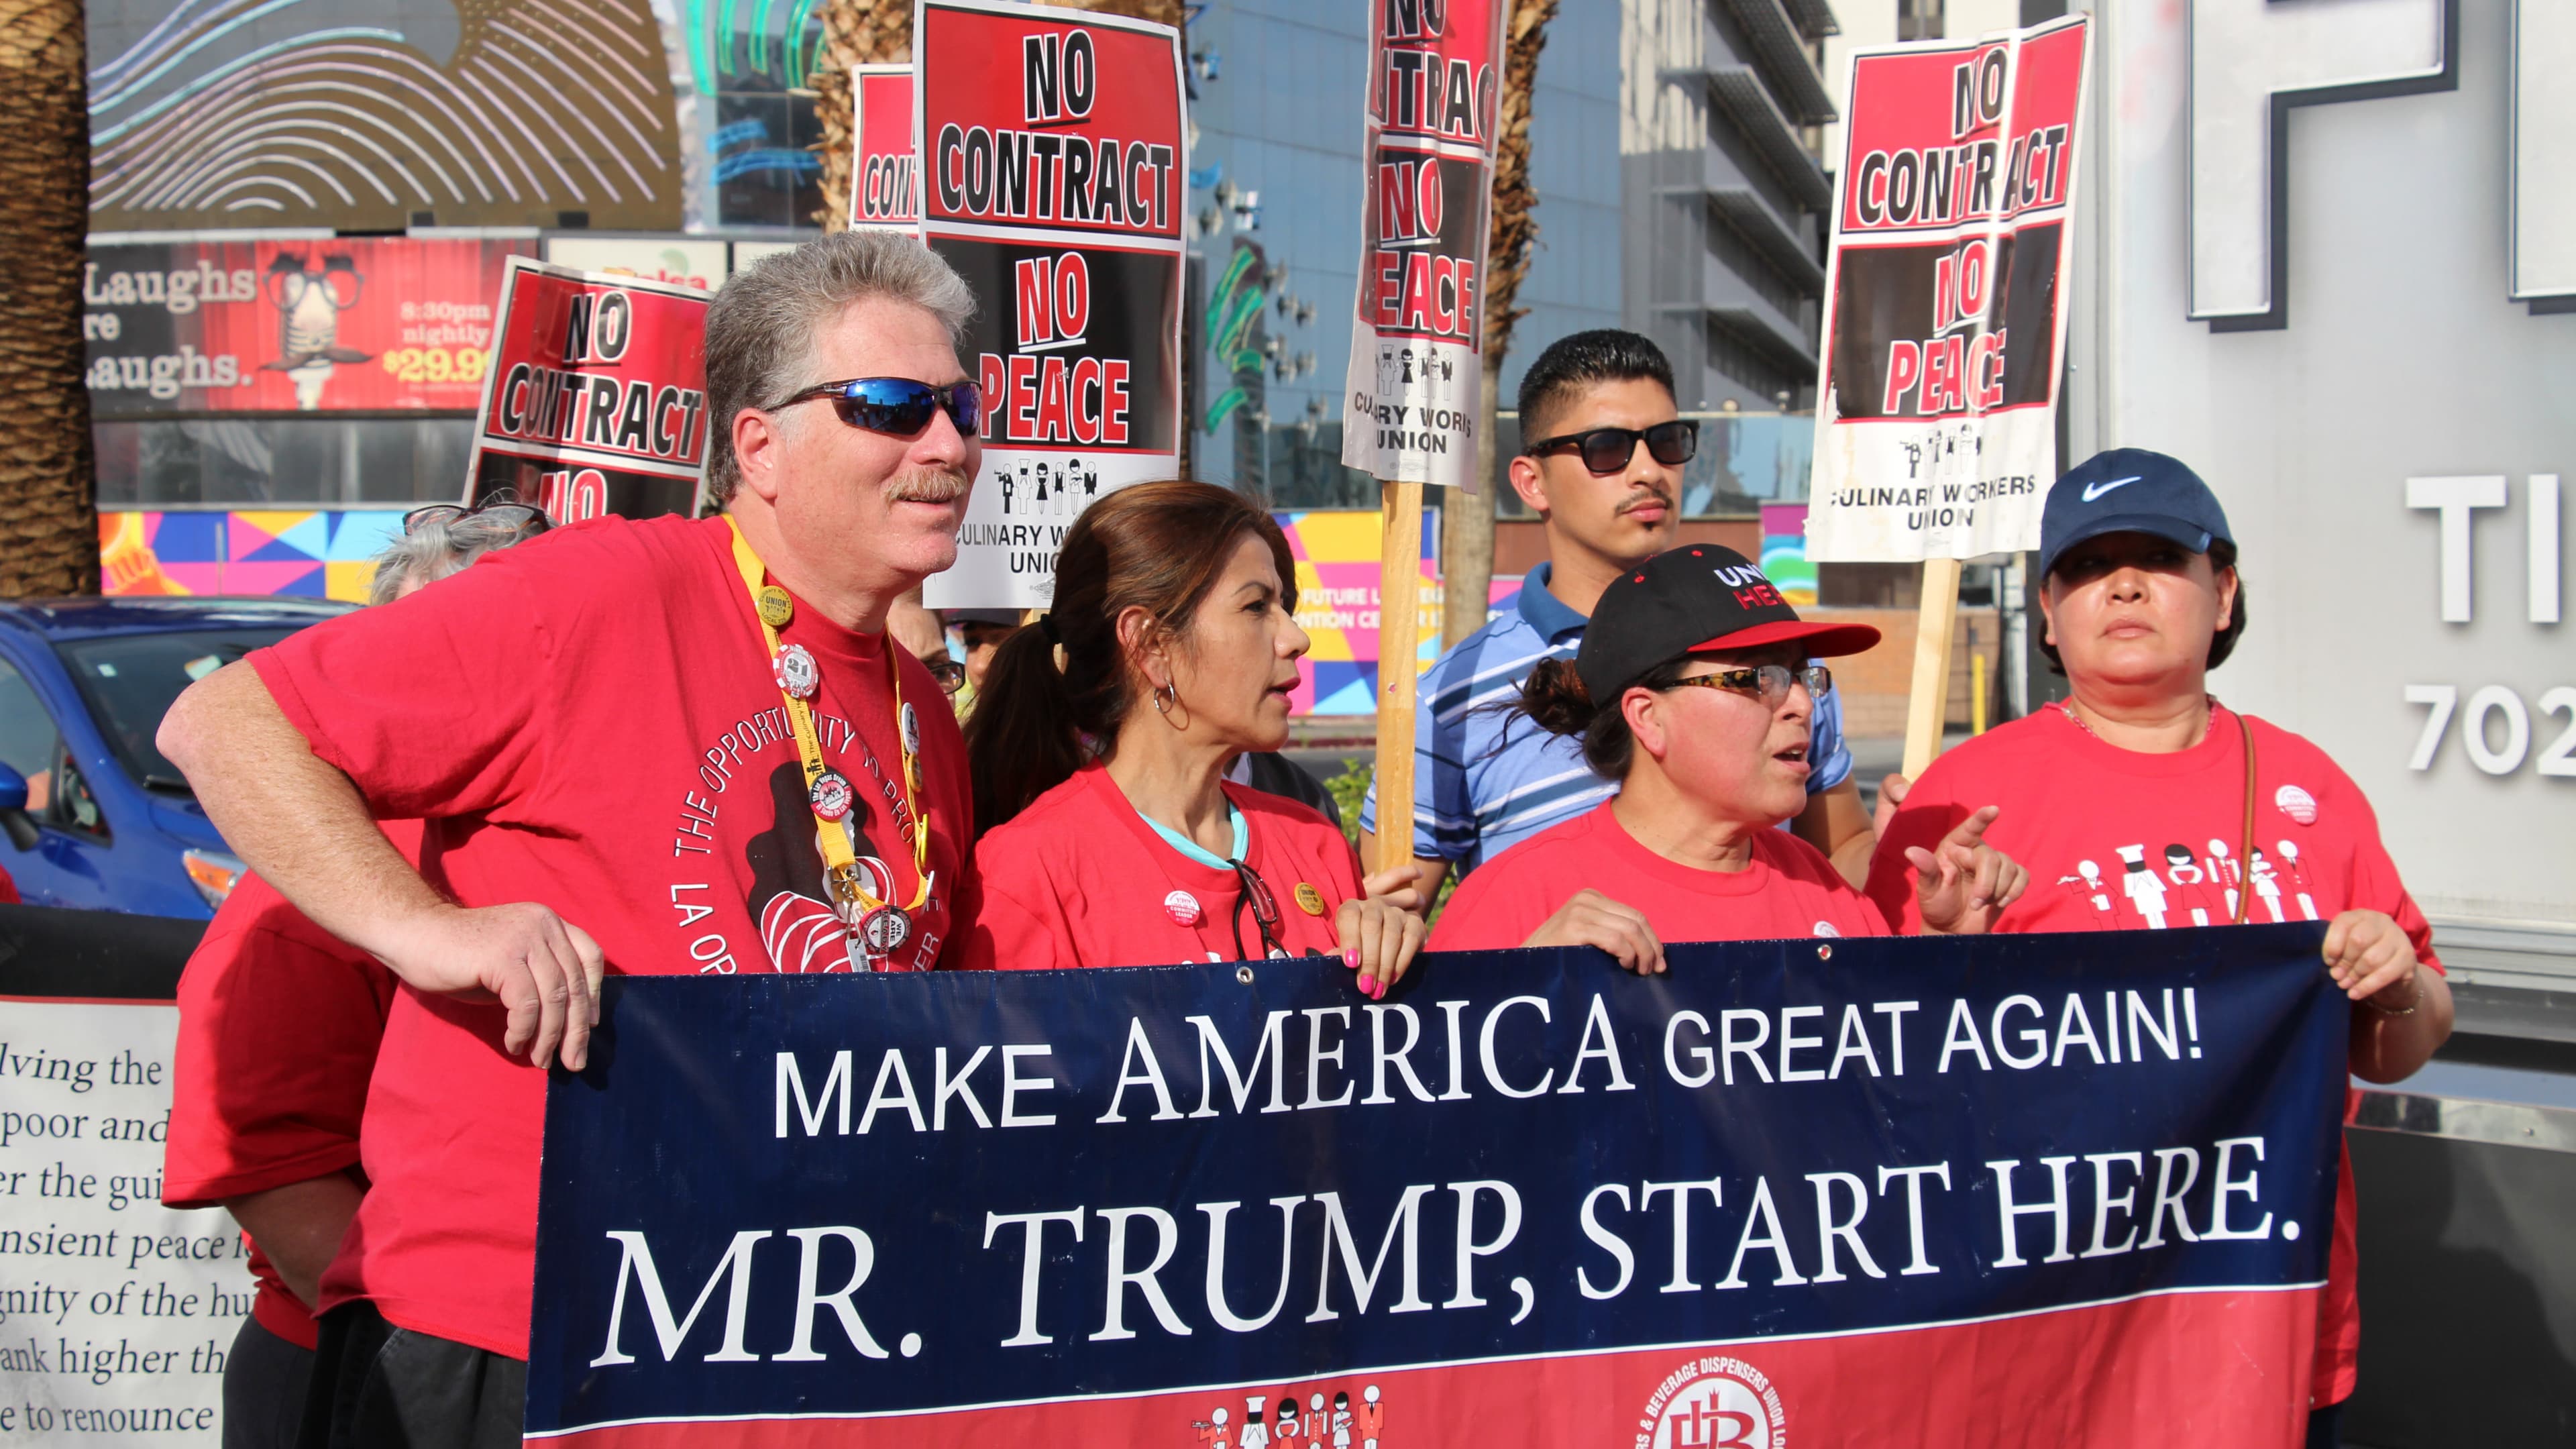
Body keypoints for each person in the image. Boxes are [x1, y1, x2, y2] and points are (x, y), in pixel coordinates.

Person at [156, 229, 987, 1449]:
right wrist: (428, 933)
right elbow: (225, 723)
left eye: (963, 405)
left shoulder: (923, 719)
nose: (949, 445)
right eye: (889, 407)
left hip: (783, 1342)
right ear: (757, 443)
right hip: (520, 1344)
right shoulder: (601, 590)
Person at [1866, 449, 2452, 1446]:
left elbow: (2402, 1038)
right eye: (2090, 566)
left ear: (2223, 594)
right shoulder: (1957, 798)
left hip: (2273, 1328)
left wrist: (2394, 980)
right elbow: (1871, 1100)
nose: (2126, 584)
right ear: (2047, 614)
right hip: (2049, 1345)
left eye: (2160, 558)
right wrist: (1938, 949)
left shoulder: (2313, 788)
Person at [163, 504, 544, 1449]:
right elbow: (275, 1170)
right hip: (368, 1370)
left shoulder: (533, 837)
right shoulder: (313, 887)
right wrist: (432, 1349)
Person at [1361, 331, 1877, 900]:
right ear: (1532, 482)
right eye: (1607, 448)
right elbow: (1397, 933)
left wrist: (1916, 865)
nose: (1648, 471)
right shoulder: (1448, 699)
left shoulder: (1781, 662)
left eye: (1667, 441)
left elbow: (1844, 850)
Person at [1429, 545, 2024, 962]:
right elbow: (1426, 1124)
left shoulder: (1821, 887)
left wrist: (1947, 946)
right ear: (1648, 717)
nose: (1800, 705)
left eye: (1801, 676)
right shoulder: (1519, 897)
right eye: (1759, 678)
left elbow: (1889, 1110)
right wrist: (1523, 995)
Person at [959, 482, 1423, 993]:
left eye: (1284, 605)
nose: (1296, 638)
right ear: (1152, 645)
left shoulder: (1316, 843)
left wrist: (1392, 961)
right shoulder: (1028, 870)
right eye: (1256, 607)